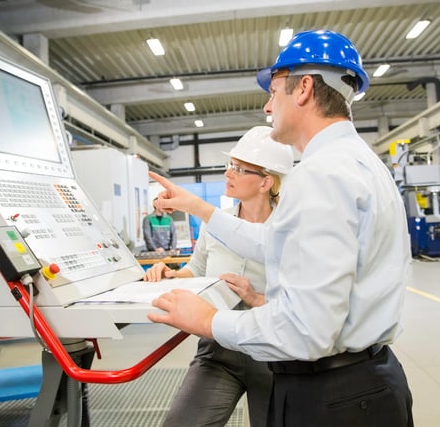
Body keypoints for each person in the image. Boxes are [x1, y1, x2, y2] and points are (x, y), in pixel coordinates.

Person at [147, 30, 414, 426]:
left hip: (334, 397)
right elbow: (274, 242)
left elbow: (305, 331)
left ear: (304, 87)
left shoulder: (322, 174)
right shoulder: (359, 162)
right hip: (364, 383)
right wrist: (201, 209)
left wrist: (206, 320)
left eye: (274, 91)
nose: (268, 105)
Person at [144, 126, 294, 427]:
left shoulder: (290, 226)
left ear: (266, 181)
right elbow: (196, 270)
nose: (229, 173)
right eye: (230, 165)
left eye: (239, 168)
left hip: (272, 350)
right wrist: (171, 275)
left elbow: (305, 298)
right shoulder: (216, 224)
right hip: (218, 347)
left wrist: (258, 298)